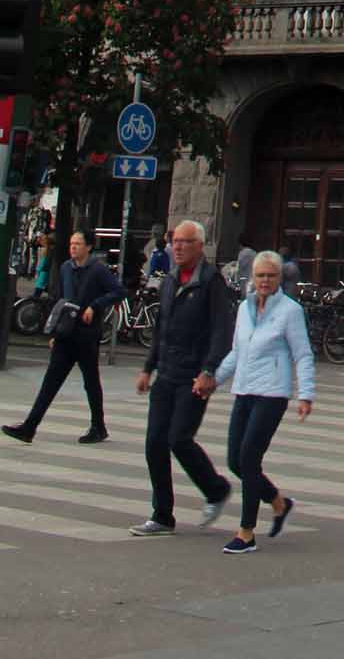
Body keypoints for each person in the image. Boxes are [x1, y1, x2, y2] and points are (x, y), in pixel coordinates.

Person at [131, 219, 236, 535]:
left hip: (193, 375)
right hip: (167, 373)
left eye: (184, 242)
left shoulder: (211, 281)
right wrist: (148, 368)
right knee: (154, 443)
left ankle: (216, 489)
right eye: (174, 241)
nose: (177, 247)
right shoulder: (170, 279)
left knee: (178, 438)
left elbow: (222, 331)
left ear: (200, 246)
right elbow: (161, 328)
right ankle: (162, 515)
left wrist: (209, 371)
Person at [213, 249, 315, 553]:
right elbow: (236, 351)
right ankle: (278, 502)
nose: (265, 281)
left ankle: (246, 532)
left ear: (279, 278)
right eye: (260, 276)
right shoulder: (244, 309)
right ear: (253, 278)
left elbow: (303, 354)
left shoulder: (290, 311)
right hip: (244, 390)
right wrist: (213, 379)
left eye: (271, 276)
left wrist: (306, 393)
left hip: (272, 393)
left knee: (248, 459)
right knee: (235, 460)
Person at [3, 227, 125, 445]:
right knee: (50, 382)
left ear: (88, 247)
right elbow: (59, 299)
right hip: (66, 334)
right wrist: (54, 329)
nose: (73, 248)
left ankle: (99, 426)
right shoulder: (65, 268)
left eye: (77, 244)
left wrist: (95, 307)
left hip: (86, 336)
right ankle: (29, 427)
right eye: (71, 244)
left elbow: (118, 291)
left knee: (91, 382)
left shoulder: (98, 270)